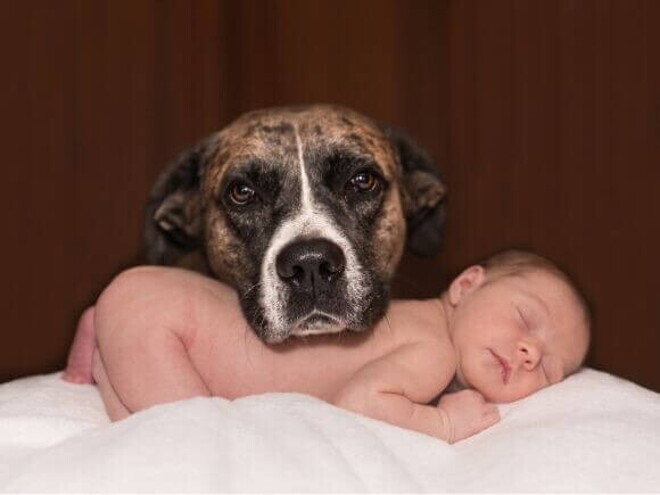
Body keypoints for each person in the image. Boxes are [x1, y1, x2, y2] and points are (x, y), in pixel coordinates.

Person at [65, 249, 591, 444]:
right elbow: (360, 405)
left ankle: (106, 329)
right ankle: (114, 325)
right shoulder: (434, 350)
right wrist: (445, 425)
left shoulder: (419, 326)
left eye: (547, 368)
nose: (527, 352)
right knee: (191, 433)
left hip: (153, 301)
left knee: (138, 401)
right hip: (170, 328)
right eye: (525, 319)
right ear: (466, 284)